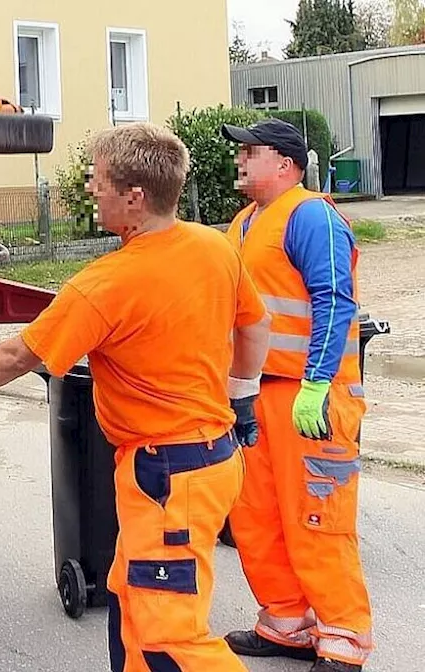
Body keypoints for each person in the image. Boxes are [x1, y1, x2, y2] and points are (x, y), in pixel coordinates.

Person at [0, 122, 272, 671]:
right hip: (209, 459)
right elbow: (256, 326)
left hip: (168, 473)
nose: (90, 190)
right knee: (129, 594)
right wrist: (242, 399)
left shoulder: (106, 284)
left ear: (134, 196)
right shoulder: (212, 246)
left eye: (98, 181)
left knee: (172, 634)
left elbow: (18, 356)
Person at [218, 118, 373, 672]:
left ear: (285, 163)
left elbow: (335, 301)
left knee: (317, 517)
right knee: (256, 515)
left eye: (250, 152)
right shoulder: (243, 223)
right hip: (255, 395)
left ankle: (343, 640)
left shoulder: (312, 217)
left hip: (312, 399)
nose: (240, 160)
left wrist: (315, 385)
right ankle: (285, 623)